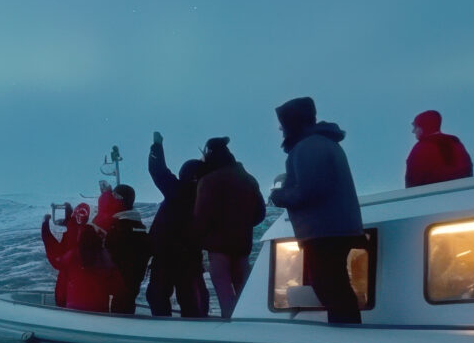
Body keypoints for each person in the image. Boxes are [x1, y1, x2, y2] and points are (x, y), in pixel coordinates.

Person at [267, 97, 365, 324]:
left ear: (293, 122)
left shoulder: (308, 147)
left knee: (330, 286)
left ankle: (346, 337)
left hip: (325, 231)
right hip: (336, 228)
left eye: (283, 123)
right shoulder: (323, 143)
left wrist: (279, 195)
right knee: (334, 284)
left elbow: (310, 190)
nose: (281, 128)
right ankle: (347, 333)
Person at [194, 136, 267, 319]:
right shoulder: (249, 179)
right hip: (243, 244)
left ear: (210, 154)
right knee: (244, 290)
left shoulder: (209, 181)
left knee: (224, 290)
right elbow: (260, 213)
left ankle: (231, 327)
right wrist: (242, 225)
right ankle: (250, 323)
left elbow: (200, 217)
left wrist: (200, 239)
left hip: (218, 247)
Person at [144, 134, 209, 318]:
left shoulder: (176, 190)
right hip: (190, 254)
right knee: (191, 296)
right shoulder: (204, 196)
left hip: (165, 252)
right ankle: (197, 328)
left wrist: (157, 147)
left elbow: (158, 170)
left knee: (158, 294)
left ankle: (163, 326)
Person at [40, 203, 118, 312]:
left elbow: (55, 258)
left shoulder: (72, 255)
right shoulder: (106, 258)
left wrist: (45, 228)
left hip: (72, 305)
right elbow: (114, 286)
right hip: (101, 311)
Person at [105, 184, 152, 315]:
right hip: (134, 280)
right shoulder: (138, 225)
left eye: (114, 197)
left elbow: (109, 249)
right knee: (128, 301)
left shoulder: (119, 227)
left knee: (120, 306)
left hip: (120, 281)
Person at [404, 110, 473, 188]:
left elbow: (412, 181)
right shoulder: (456, 144)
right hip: (463, 195)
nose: (413, 131)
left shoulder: (421, 148)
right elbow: (467, 172)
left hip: (432, 197)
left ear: (424, 127)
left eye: (416, 127)